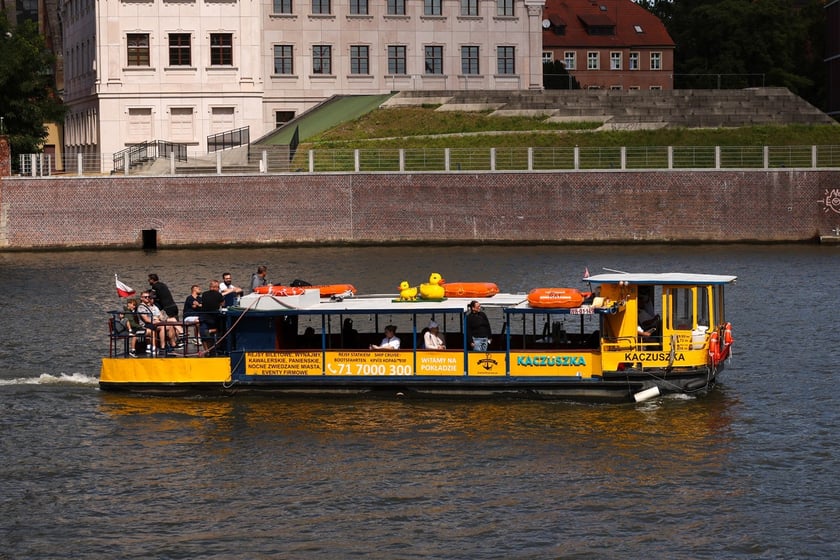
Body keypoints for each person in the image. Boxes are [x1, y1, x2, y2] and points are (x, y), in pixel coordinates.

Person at [200, 279, 226, 353]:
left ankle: (206, 351)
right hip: (214, 318)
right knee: (222, 329)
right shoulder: (218, 294)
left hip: (203, 317)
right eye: (218, 287)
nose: (218, 289)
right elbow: (223, 304)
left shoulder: (204, 294)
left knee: (204, 335)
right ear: (215, 287)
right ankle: (216, 349)